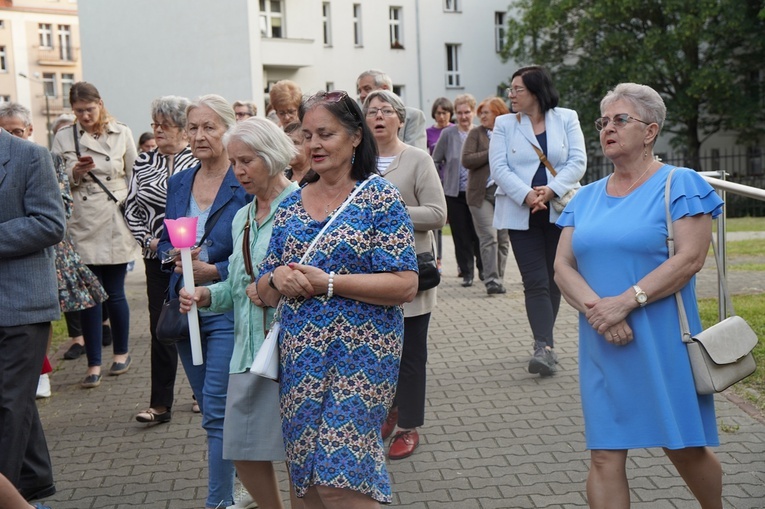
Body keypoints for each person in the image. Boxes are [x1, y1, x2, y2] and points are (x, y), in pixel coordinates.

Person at [554, 82, 724, 509]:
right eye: (603, 121)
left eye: (620, 119)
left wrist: (624, 303)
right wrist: (600, 312)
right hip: (602, 341)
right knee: (604, 453)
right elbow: (562, 267)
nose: (608, 128)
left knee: (683, 446)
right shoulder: (586, 197)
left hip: (663, 337)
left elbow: (690, 259)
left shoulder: (679, 183)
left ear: (649, 131)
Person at [256, 89, 418, 508]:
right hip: (301, 358)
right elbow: (260, 290)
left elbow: (404, 284)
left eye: (325, 134)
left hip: (362, 356)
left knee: (341, 477)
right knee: (306, 484)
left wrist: (330, 282)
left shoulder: (379, 197)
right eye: (306, 135)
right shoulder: (290, 207)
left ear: (355, 138)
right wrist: (276, 277)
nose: (313, 145)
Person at [179, 117, 300, 509]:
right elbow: (234, 288)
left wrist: (272, 288)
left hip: (296, 352)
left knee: (301, 454)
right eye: (234, 162)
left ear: (273, 156)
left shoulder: (301, 208)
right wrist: (205, 295)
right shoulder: (242, 217)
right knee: (242, 447)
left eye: (248, 160)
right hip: (248, 351)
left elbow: (312, 281)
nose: (239, 171)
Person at [157, 94, 250, 509]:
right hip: (186, 310)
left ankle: (219, 503)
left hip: (228, 309)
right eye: (192, 127)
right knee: (218, 416)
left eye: (209, 127)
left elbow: (258, 248)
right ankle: (243, 484)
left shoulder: (244, 179)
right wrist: (169, 255)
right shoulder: (179, 182)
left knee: (215, 412)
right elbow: (166, 239)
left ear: (229, 129)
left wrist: (216, 269)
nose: (198, 136)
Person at [0, 102, 107, 400]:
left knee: (11, 404)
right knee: (16, 407)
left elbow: (54, 217)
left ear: (29, 130)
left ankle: (50, 370)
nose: (12, 135)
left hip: (38, 271)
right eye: (7, 130)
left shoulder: (39, 157)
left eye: (17, 131)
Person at [363, 90, 447, 460]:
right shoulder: (356, 162)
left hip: (410, 268)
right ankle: (389, 408)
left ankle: (409, 425)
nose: (379, 117)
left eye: (386, 111)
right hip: (366, 273)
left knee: (411, 353)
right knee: (379, 350)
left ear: (400, 119)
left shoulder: (417, 159)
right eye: (371, 112)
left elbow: (437, 214)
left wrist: (391, 212)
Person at [488, 65, 585, 376]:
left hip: (559, 209)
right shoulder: (504, 123)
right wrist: (529, 195)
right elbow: (499, 167)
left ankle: (547, 344)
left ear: (536, 92)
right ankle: (542, 346)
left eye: (518, 89)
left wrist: (550, 190)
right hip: (521, 211)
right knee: (535, 281)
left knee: (556, 276)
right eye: (511, 89)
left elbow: (578, 161)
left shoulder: (567, 117)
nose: (511, 95)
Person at [52, 81, 140, 388]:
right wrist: (75, 172)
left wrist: (125, 206)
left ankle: (121, 353)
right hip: (82, 221)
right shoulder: (64, 137)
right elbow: (55, 182)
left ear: (100, 103)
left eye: (89, 109)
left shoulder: (122, 132)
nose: (85, 116)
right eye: (79, 111)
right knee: (89, 297)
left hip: (113, 218)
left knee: (114, 292)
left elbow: (135, 176)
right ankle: (93, 364)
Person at [0, 122, 65, 503]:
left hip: (23, 304)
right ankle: (33, 488)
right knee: (16, 401)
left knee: (9, 405)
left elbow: (50, 223)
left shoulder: (30, 156)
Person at [123, 95, 198, 424]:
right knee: (161, 326)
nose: (157, 131)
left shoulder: (196, 160)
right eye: (154, 125)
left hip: (195, 256)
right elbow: (130, 206)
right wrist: (149, 240)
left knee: (200, 320)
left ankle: (201, 392)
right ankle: (160, 403)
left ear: (183, 130)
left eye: (164, 125)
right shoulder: (143, 161)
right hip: (157, 257)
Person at [462, 97, 511, 295]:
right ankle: (491, 280)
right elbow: (466, 160)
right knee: (489, 237)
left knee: (503, 239)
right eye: (481, 112)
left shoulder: (509, 133)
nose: (482, 116)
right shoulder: (476, 133)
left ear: (498, 114)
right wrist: (492, 151)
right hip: (480, 194)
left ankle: (499, 278)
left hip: (505, 193)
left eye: (486, 112)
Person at [432, 93, 483, 287]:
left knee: (479, 233)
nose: (463, 116)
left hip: (477, 192)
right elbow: (436, 160)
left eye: (467, 112)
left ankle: (484, 270)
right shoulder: (448, 134)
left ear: (473, 112)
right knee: (461, 235)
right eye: (459, 113)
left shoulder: (480, 132)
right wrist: (440, 182)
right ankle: (467, 272)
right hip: (454, 193)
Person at [356, 69, 427, 150]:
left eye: (367, 89)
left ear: (385, 89)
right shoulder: (358, 119)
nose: (361, 95)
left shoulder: (412, 116)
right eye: (359, 91)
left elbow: (415, 156)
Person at [426, 97, 454, 271]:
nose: (442, 116)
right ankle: (438, 259)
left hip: (454, 183)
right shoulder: (429, 132)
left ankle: (463, 264)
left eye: (445, 112)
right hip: (437, 181)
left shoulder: (455, 130)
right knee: (438, 223)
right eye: (438, 113)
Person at [283, 121, 315, 186]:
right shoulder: (283, 178)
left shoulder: (319, 177)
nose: (289, 148)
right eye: (286, 144)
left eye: (295, 143)